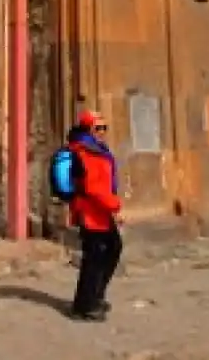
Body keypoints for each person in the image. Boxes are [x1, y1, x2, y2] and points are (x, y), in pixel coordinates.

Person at [65, 109, 123, 321]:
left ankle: (91, 298)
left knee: (111, 249)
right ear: (88, 128)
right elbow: (93, 187)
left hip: (100, 212)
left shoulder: (96, 149)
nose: (102, 132)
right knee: (95, 258)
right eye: (98, 128)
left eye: (104, 127)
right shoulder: (85, 152)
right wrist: (115, 205)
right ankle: (86, 305)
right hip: (91, 213)